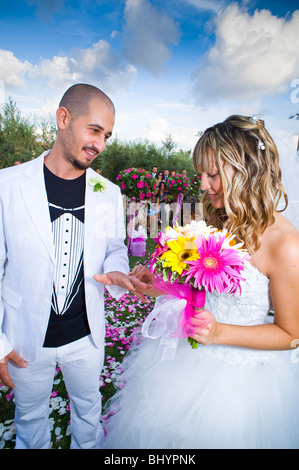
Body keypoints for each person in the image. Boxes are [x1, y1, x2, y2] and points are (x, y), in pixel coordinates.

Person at [102, 115, 299, 449]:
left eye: (213, 174)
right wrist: (158, 287)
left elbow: (291, 335)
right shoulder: (215, 222)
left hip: (240, 387)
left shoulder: (285, 244)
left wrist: (220, 333)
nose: (204, 185)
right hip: (186, 363)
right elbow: (202, 292)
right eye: (201, 175)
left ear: (246, 170)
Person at [0, 83, 147, 449]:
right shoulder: (7, 186)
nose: (100, 144)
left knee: (89, 414)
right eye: (94, 130)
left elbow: (115, 247)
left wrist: (117, 270)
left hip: (87, 338)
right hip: (24, 340)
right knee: (30, 423)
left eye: (107, 136)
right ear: (63, 118)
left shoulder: (108, 193)